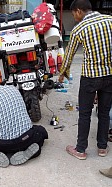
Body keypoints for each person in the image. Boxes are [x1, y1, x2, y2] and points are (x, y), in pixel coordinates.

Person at [58, 0, 112, 160]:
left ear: (79, 11)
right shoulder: (110, 21)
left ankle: (80, 149)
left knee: (85, 114)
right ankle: (102, 147)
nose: (74, 16)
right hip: (109, 75)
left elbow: (69, 55)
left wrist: (63, 73)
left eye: (74, 13)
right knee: (104, 112)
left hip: (90, 77)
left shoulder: (79, 29)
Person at [0, 76, 48, 167]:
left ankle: (3, 153)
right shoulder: (12, 89)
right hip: (26, 138)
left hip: (3, 144)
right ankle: (31, 152)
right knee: (40, 131)